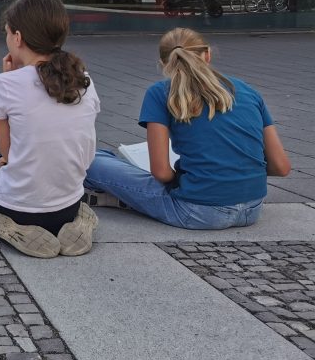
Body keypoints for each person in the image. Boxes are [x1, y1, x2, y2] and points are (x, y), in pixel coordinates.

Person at [83, 27, 291, 230]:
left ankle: (115, 195)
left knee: (93, 160)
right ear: (207, 54)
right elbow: (281, 167)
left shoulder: (160, 93)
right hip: (252, 209)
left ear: (164, 64)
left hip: (196, 211)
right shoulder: (247, 91)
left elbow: (161, 173)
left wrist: (196, 180)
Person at [0, 0, 101, 258]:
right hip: (69, 204)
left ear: (17, 38)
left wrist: (9, 78)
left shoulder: (3, 84)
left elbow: (6, 154)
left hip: (18, 207)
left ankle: (17, 231)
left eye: (7, 33)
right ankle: (80, 222)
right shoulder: (83, 79)